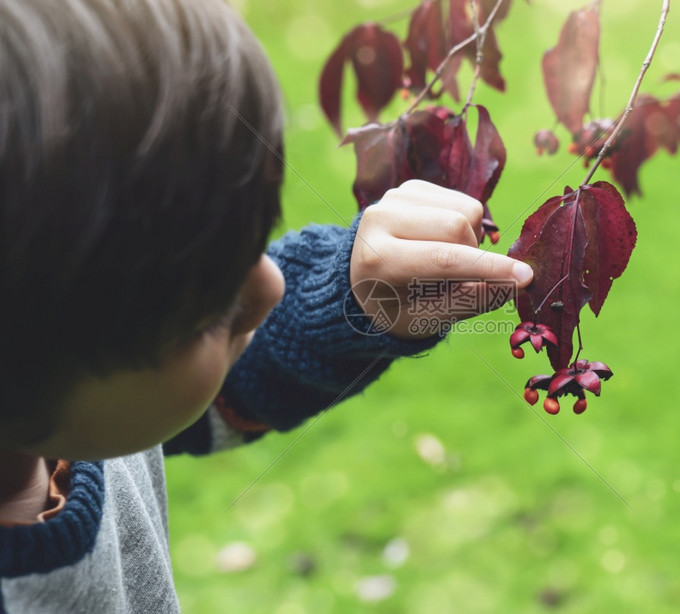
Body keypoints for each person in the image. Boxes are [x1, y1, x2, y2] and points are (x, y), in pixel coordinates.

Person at [0, 0, 533, 611]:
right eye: (208, 311)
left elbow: (217, 394)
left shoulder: (76, 402)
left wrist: (349, 299)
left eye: (249, 247)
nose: (272, 285)